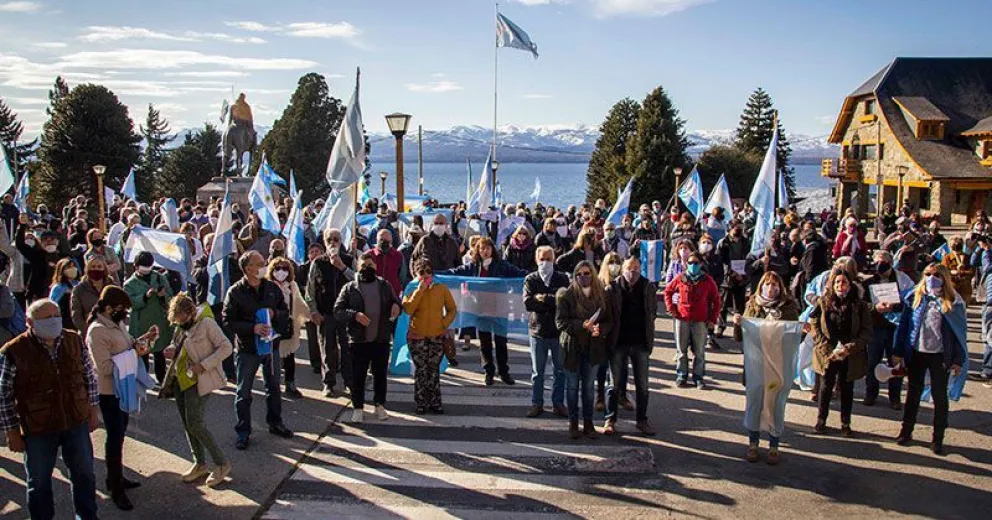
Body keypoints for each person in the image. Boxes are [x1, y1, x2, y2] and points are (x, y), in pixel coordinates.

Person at [0, 299, 100, 520]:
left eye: (56, 316)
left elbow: (89, 377)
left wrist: (92, 410)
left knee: (84, 474)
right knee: (39, 481)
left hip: (75, 420)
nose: (54, 321)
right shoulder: (14, 350)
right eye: (47, 318)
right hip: (38, 427)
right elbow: (4, 395)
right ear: (30, 322)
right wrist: (12, 431)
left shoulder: (73, 340)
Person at [87, 286, 159, 510]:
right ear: (108, 308)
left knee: (120, 436)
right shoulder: (97, 331)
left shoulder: (117, 324)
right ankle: (115, 486)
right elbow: (106, 366)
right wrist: (133, 353)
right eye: (121, 309)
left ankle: (116, 477)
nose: (125, 313)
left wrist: (145, 340)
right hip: (110, 392)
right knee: (114, 438)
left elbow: (129, 346)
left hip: (124, 388)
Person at [893, 264, 967, 455]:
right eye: (928, 274)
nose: (931, 278)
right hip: (916, 353)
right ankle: (906, 431)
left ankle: (938, 438)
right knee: (912, 394)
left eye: (936, 275)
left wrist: (958, 360)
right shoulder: (915, 298)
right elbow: (904, 326)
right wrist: (898, 351)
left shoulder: (953, 302)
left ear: (944, 278)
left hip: (940, 355)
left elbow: (959, 333)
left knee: (939, 397)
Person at [224, 251, 294, 451]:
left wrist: (275, 313)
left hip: (270, 348)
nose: (265, 265)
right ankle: (243, 432)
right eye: (260, 263)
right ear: (248, 269)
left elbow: (284, 312)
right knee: (244, 392)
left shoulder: (272, 288)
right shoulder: (235, 292)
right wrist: (251, 328)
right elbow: (228, 321)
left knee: (273, 388)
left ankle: (275, 422)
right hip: (248, 350)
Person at [162, 293, 233, 486]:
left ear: (191, 312)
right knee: (187, 423)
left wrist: (204, 365)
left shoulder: (207, 324)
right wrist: (170, 349)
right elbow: (177, 344)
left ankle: (221, 463)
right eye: (176, 320)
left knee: (196, 423)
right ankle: (199, 463)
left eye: (183, 318)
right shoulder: (180, 326)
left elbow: (226, 347)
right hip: (180, 379)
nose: (180, 322)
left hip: (199, 380)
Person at [732, 272, 800, 464]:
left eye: (775, 285)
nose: (771, 288)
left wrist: (800, 330)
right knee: (755, 402)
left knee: (776, 404)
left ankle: (774, 445)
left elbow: (794, 336)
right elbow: (741, 337)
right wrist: (738, 324)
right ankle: (753, 443)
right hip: (756, 365)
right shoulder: (752, 305)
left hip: (778, 365)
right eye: (767, 284)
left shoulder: (788, 307)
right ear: (761, 286)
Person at [443, 237, 527, 385]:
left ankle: (504, 372)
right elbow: (455, 272)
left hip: (500, 308)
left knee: (501, 341)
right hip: (480, 308)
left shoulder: (501, 265)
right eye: (482, 248)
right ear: (478, 250)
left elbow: (519, 273)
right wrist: (435, 273)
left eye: (488, 248)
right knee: (485, 342)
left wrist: (536, 275)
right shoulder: (473, 266)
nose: (485, 251)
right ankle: (488, 371)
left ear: (492, 249)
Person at [334, 251, 402, 422]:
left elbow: (396, 302)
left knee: (380, 375)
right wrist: (355, 315)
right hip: (358, 340)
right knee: (358, 375)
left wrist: (396, 307)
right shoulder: (350, 288)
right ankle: (358, 407)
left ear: (376, 267)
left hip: (381, 339)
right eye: (363, 266)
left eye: (370, 266)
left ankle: (379, 405)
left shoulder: (384, 285)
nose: (367, 268)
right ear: (358, 268)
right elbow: (338, 311)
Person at [809, 269, 871, 436]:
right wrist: (823, 344)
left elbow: (866, 331)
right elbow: (814, 322)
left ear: (850, 285)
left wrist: (852, 347)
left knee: (846, 388)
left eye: (844, 282)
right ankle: (821, 420)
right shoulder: (823, 302)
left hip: (849, 354)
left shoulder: (859, 305)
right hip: (828, 352)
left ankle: (845, 423)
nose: (840, 286)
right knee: (825, 387)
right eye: (837, 282)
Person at [557, 260, 613, 440]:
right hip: (572, 346)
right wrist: (582, 325)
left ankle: (588, 423)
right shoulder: (567, 295)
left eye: (587, 273)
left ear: (593, 274)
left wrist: (600, 329)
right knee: (572, 387)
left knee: (589, 388)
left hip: (593, 347)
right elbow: (561, 322)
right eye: (579, 274)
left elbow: (608, 320)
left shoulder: (601, 295)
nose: (583, 277)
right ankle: (573, 423)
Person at [604, 257, 657, 436]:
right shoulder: (612, 288)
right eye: (628, 268)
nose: (632, 271)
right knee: (614, 384)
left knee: (642, 385)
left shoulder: (648, 287)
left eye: (635, 268)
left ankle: (642, 420)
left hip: (640, 342)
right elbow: (607, 314)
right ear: (622, 269)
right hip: (618, 342)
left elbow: (652, 312)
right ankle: (610, 419)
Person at [402, 258, 458, 414]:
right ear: (416, 273)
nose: (426, 275)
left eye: (428, 272)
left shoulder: (441, 288)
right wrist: (420, 290)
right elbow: (408, 309)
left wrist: (443, 324)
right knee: (421, 370)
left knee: (433, 370)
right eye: (422, 272)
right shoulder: (411, 288)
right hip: (416, 336)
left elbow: (452, 309)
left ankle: (435, 402)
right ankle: (421, 402)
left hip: (436, 336)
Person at [306, 228, 355, 397]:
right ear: (325, 243)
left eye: (336, 239)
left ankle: (349, 382)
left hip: (346, 313)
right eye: (330, 240)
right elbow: (310, 290)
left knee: (347, 349)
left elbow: (357, 281)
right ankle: (328, 383)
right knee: (328, 349)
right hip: (326, 313)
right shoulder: (318, 263)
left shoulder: (348, 259)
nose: (333, 242)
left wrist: (341, 267)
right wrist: (313, 311)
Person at [523, 246, 570, 418]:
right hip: (538, 331)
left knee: (560, 370)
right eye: (542, 259)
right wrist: (552, 298)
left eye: (549, 259)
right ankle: (537, 403)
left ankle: (558, 403)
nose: (545, 262)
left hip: (558, 332)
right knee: (538, 372)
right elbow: (528, 303)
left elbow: (564, 301)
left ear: (554, 259)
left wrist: (543, 297)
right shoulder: (531, 279)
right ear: (536, 260)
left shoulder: (562, 278)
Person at [863, 250, 914, 409]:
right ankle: (871, 394)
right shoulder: (869, 282)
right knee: (872, 362)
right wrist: (875, 307)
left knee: (896, 363)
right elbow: (862, 305)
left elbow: (911, 301)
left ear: (891, 263)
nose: (880, 265)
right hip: (875, 327)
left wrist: (895, 306)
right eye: (877, 261)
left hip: (895, 328)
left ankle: (895, 397)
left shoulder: (903, 280)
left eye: (884, 262)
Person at [664, 252, 721, 388]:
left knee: (699, 351)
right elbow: (667, 291)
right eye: (690, 263)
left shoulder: (707, 280)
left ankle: (698, 377)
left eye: (695, 263)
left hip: (700, 320)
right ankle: (681, 375)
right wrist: (672, 309)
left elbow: (716, 300)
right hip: (682, 318)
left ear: (701, 264)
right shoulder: (680, 278)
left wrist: (713, 318)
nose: (692, 265)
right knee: (681, 350)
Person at [123, 251, 174, 383]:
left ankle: (162, 381)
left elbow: (171, 298)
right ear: (136, 266)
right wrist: (144, 297)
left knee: (160, 354)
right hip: (141, 325)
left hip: (158, 323)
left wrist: (163, 296)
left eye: (149, 266)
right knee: (143, 355)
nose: (146, 269)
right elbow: (130, 303)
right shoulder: (129, 284)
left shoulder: (159, 278)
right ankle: (143, 381)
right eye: (143, 266)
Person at [266, 256, 310, 399]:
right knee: (272, 359)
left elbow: (299, 303)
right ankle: (273, 386)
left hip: (287, 326)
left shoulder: (292, 286)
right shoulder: (266, 286)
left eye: (284, 269)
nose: (281, 272)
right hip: (270, 326)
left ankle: (290, 384)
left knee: (289, 357)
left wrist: (310, 314)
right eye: (277, 269)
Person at [71, 256, 111, 337]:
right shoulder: (79, 289)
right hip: (88, 333)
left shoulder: (112, 287)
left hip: (111, 332)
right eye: (93, 267)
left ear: (104, 269)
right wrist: (89, 330)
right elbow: (76, 316)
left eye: (99, 267)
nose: (96, 269)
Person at [370, 228, 406, 297]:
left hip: (393, 295)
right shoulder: (369, 255)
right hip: (373, 295)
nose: (384, 243)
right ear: (376, 240)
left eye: (387, 241)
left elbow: (402, 277)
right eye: (381, 240)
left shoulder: (398, 256)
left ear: (391, 241)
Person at [49, 257, 79, 332]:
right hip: (64, 321)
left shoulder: (79, 284)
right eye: (69, 267)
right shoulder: (58, 287)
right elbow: (53, 305)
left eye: (73, 266)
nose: (72, 269)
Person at [941, 237, 973, 304]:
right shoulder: (947, 258)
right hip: (952, 287)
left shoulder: (967, 257)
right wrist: (951, 272)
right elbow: (943, 271)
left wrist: (961, 271)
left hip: (965, 288)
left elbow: (972, 272)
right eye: (953, 245)